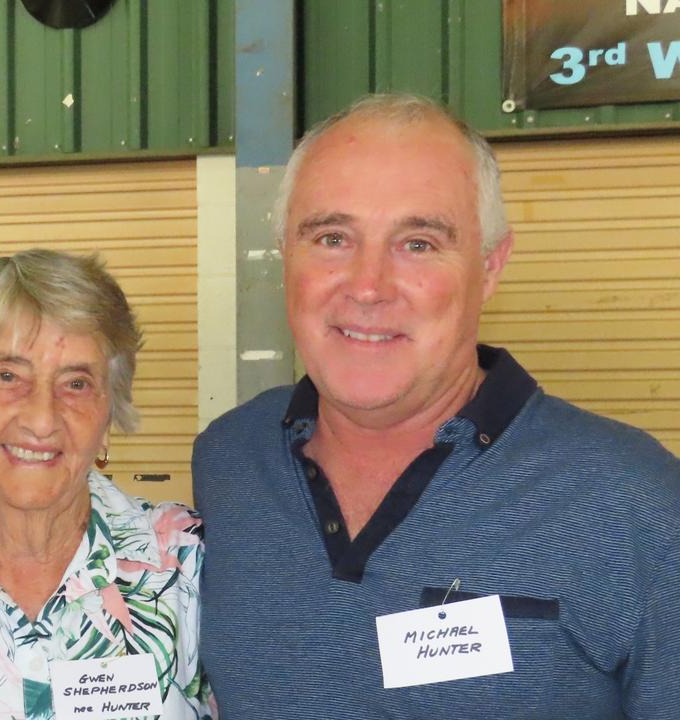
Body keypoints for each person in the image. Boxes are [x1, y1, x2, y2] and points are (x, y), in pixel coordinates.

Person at [194, 94, 680, 718]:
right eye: (333, 237)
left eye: (418, 243)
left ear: (490, 266)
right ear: (285, 255)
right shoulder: (232, 462)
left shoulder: (632, 497)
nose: (368, 286)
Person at [0, 249, 213, 719]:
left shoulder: (189, 563)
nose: (41, 419)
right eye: (8, 376)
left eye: (75, 383)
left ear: (108, 415)